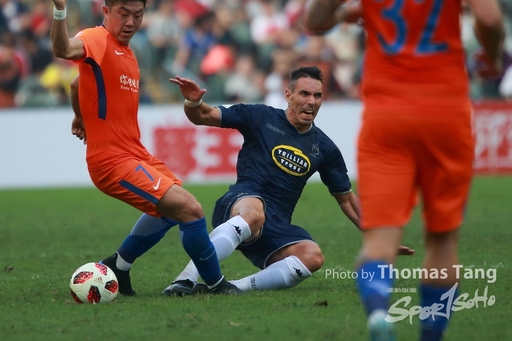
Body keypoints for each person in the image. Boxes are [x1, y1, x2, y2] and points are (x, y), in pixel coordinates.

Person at [303, 0, 504, 340]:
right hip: (446, 112)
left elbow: (315, 18)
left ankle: (379, 315)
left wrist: (351, 11)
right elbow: (488, 17)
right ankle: (431, 336)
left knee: (379, 241)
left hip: (387, 114)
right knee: (442, 242)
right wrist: (491, 58)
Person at [41, 0, 240, 296]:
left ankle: (119, 266)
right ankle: (217, 285)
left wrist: (80, 116)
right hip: (111, 161)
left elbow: (77, 84)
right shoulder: (96, 39)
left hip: (135, 153)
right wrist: (60, 9)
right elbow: (63, 49)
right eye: (123, 13)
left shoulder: (128, 54)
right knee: (190, 210)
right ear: (106, 11)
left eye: (138, 14)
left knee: (170, 212)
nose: (131, 22)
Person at [162, 66, 414, 297]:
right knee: (253, 213)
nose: (311, 101)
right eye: (304, 94)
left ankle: (234, 289)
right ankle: (185, 279)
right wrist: (193, 101)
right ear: (288, 95)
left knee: (312, 257)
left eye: (317, 96)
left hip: (276, 223)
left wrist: (379, 237)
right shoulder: (260, 116)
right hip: (240, 203)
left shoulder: (324, 148)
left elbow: (347, 200)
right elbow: (203, 115)